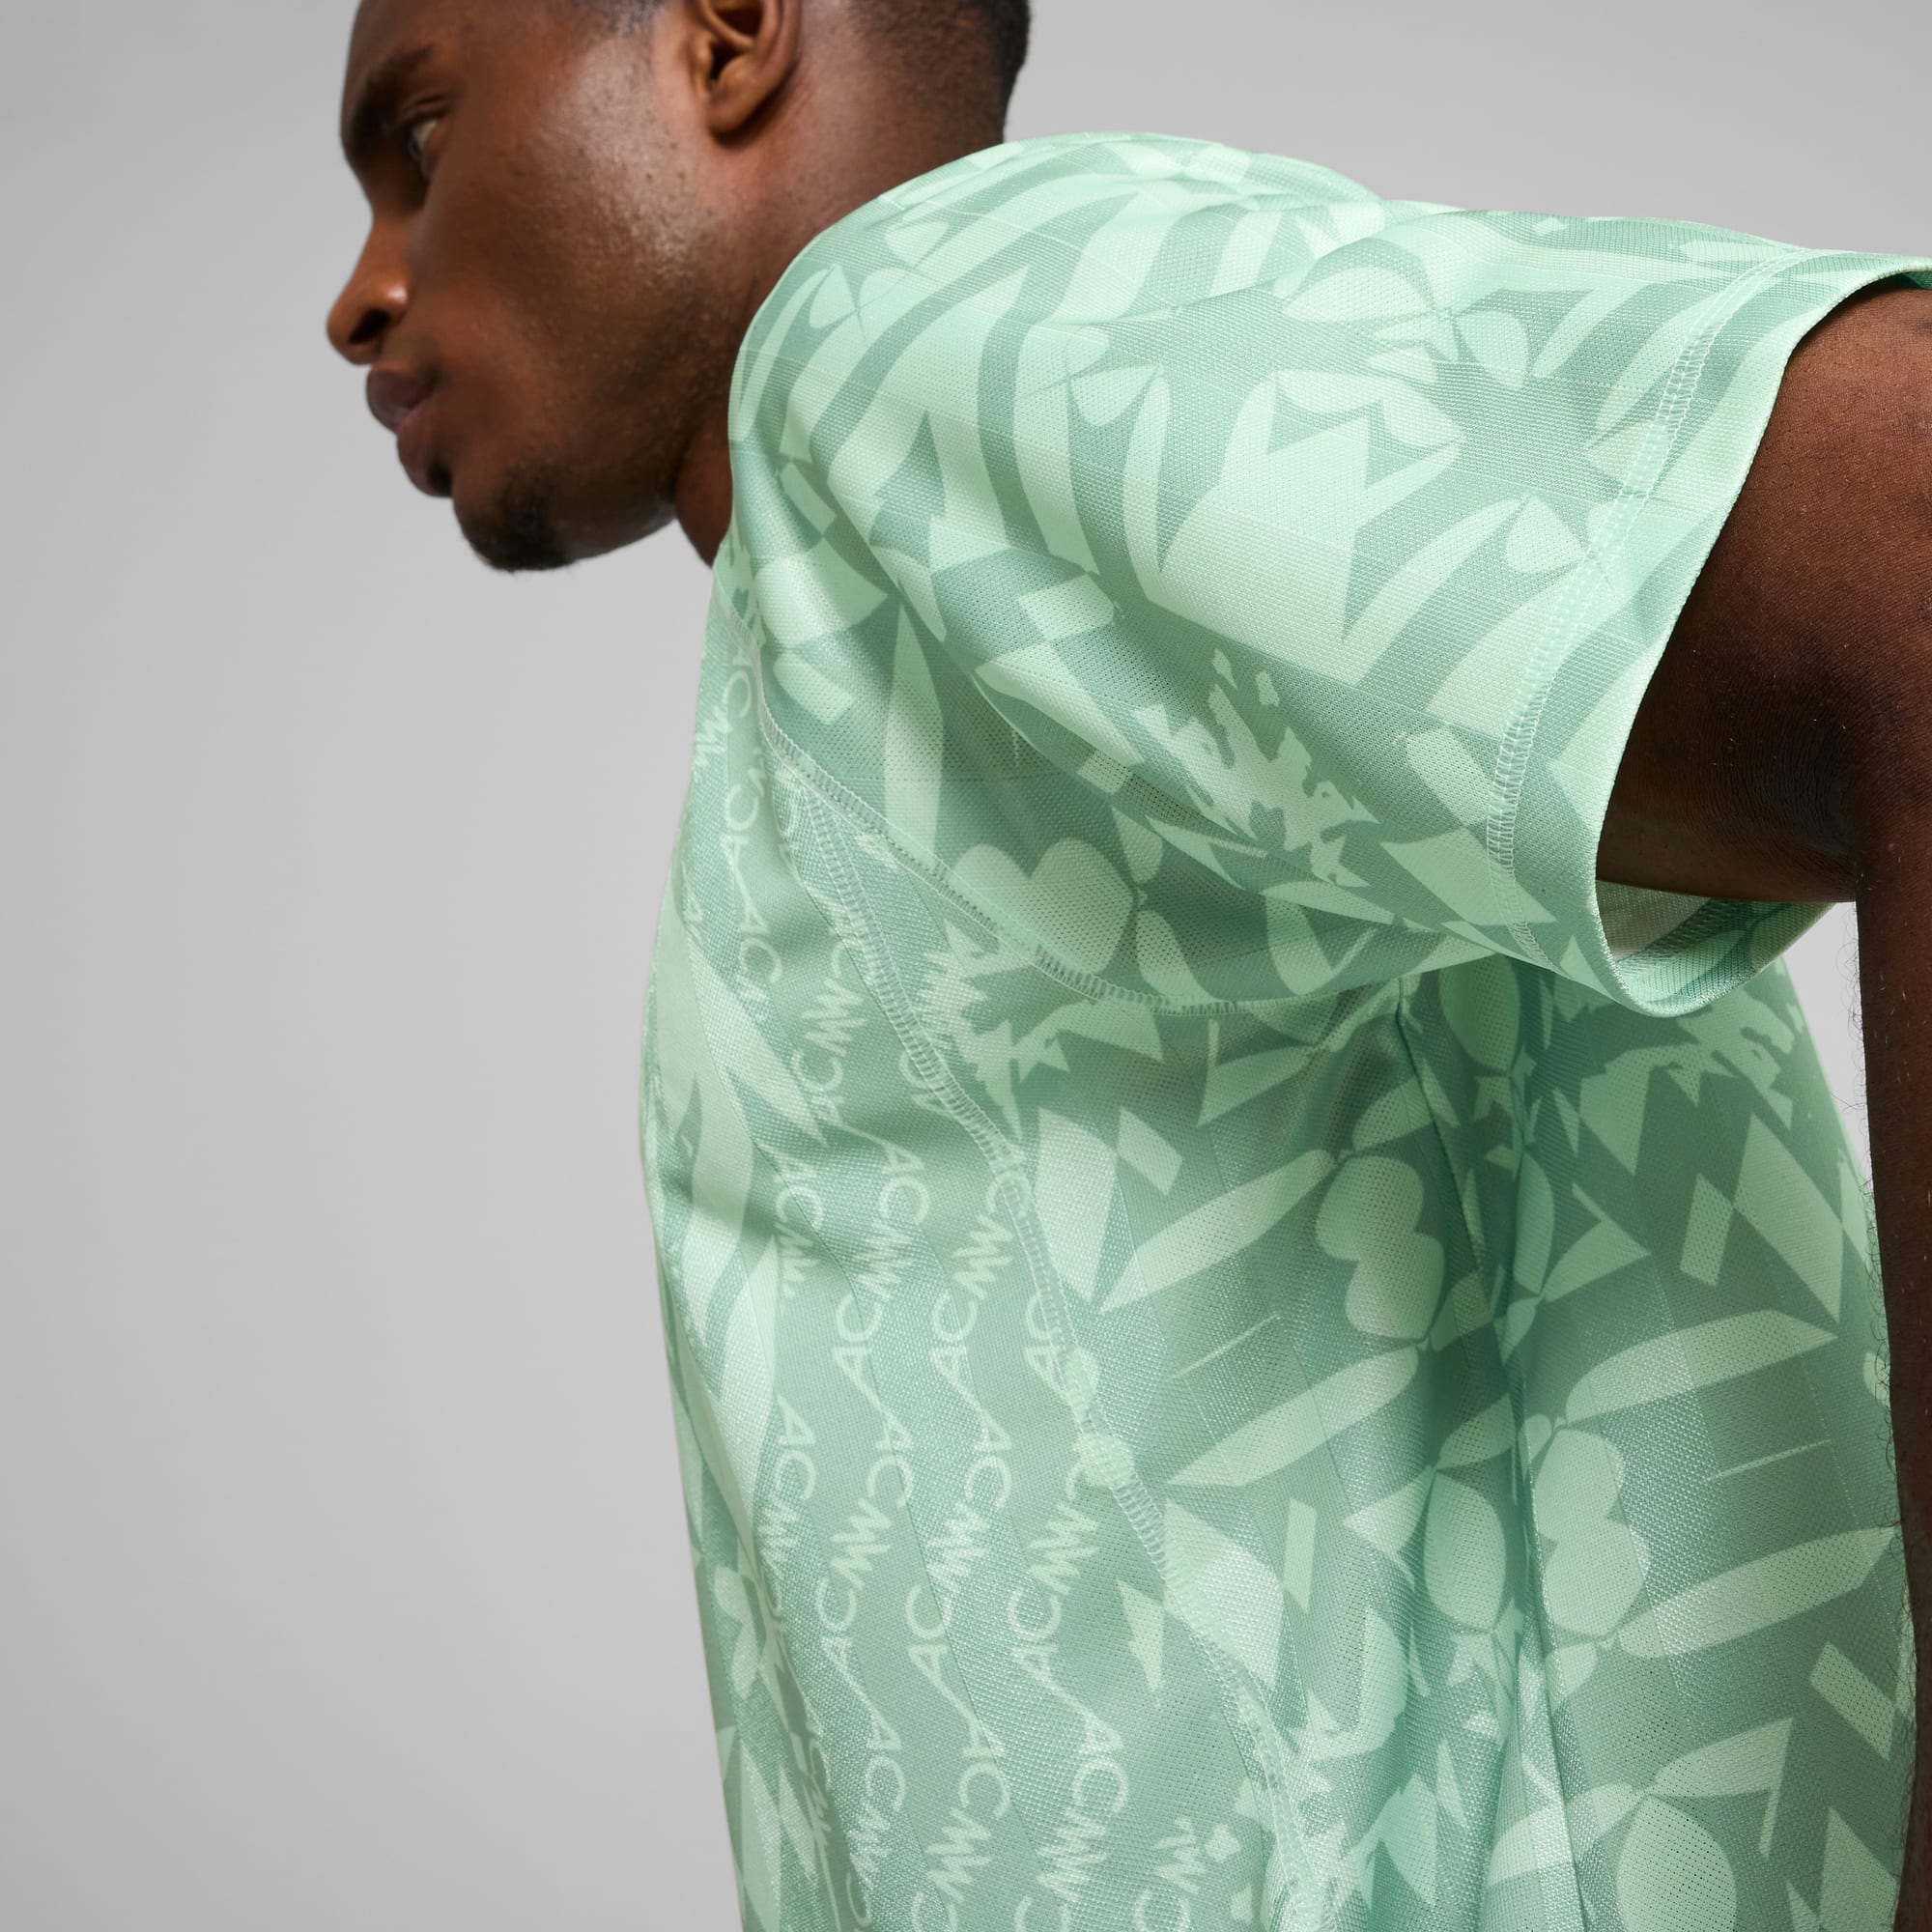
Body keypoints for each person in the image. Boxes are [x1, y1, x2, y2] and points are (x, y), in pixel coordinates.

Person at [326, 1, 1932, 1925]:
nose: (358, 293)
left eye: (421, 139)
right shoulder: (885, 581)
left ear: (731, 33)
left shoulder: (909, 341)